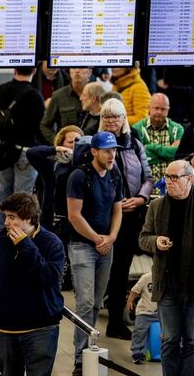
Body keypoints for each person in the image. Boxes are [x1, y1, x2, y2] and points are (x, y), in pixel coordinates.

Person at [138, 160, 194, 376]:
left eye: (174, 177)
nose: (168, 181)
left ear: (189, 179)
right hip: (167, 284)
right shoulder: (157, 205)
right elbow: (143, 238)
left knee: (193, 340)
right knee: (169, 339)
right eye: (167, 177)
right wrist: (156, 241)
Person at [0, 192, 65, 376]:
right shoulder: (0, 239)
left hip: (40, 327)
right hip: (5, 327)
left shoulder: (52, 243)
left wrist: (25, 245)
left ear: (29, 218)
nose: (6, 223)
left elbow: (48, 277)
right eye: (6, 217)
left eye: (12, 217)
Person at [66, 131, 124, 375]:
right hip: (82, 246)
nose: (112, 155)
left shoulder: (114, 174)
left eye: (114, 151)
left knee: (97, 303)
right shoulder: (79, 176)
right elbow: (74, 215)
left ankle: (91, 349)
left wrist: (111, 237)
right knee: (85, 302)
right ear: (94, 152)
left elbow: (118, 209)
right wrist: (97, 239)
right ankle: (81, 357)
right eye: (107, 151)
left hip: (106, 246)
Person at [98, 98, 154, 339]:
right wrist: (116, 203)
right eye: (107, 117)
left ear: (124, 120)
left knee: (121, 269)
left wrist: (141, 198)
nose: (112, 121)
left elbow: (148, 177)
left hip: (134, 214)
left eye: (116, 116)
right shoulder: (95, 143)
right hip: (107, 216)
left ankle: (116, 322)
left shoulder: (135, 144)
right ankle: (105, 319)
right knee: (106, 270)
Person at [0, 66, 46, 231]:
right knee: (22, 198)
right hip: (26, 151)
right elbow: (40, 126)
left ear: (14, 69)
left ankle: (1, 233)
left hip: (4, 150)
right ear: (34, 71)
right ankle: (18, 234)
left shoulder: (2, 89)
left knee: (4, 195)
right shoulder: (35, 95)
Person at [27, 125, 84, 229]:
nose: (75, 145)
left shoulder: (84, 166)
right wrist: (56, 149)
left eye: (78, 141)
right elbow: (31, 153)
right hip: (51, 221)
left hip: (73, 223)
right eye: (71, 142)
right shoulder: (52, 165)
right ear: (61, 144)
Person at [132, 93, 184, 187]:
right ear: (149, 108)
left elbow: (178, 155)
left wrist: (150, 148)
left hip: (173, 187)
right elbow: (137, 158)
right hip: (144, 187)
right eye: (156, 108)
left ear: (168, 110)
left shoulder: (178, 129)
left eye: (163, 109)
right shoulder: (137, 128)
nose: (159, 112)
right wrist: (168, 154)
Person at [39, 67, 90, 144]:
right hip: (66, 149)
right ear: (69, 71)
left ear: (89, 72)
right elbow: (45, 125)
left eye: (81, 67)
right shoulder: (58, 96)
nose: (77, 70)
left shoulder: (97, 94)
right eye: (73, 68)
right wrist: (59, 141)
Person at [127, 272, 158, 364]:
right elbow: (135, 290)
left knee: (167, 332)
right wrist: (130, 301)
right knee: (139, 331)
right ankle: (137, 352)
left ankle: (161, 352)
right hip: (145, 312)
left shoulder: (167, 278)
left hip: (160, 312)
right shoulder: (146, 277)